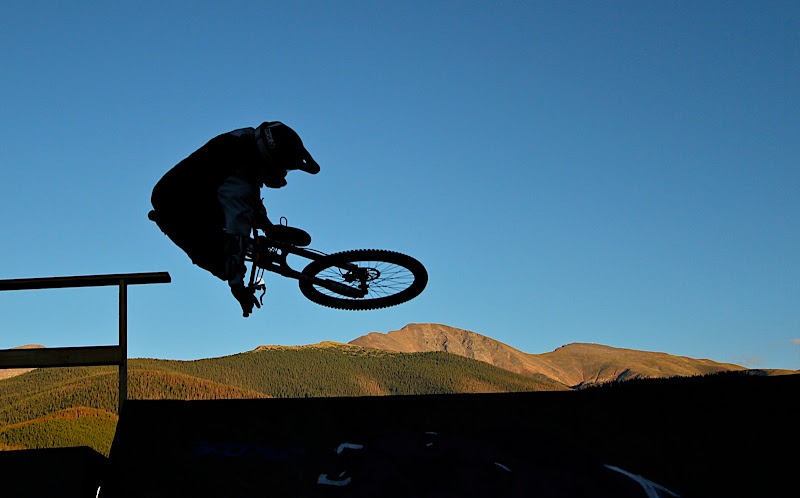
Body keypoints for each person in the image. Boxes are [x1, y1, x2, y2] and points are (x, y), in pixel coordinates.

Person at [149, 121, 319, 317]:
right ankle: (235, 248)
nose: (283, 175)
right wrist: (237, 286)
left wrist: (264, 225)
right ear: (270, 159)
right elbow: (238, 222)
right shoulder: (238, 173)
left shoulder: (246, 143)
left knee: (241, 209)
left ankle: (263, 230)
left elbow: (248, 189)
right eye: (284, 169)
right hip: (175, 207)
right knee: (217, 260)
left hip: (190, 192)